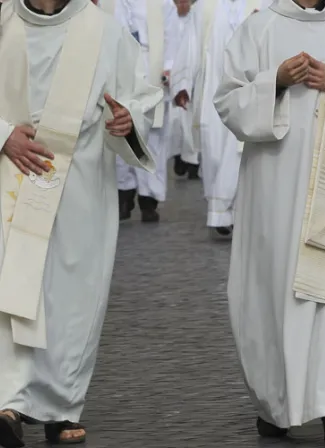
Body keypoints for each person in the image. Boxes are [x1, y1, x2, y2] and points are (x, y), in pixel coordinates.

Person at [213, 0, 325, 442]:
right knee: (274, 290)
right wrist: (274, 81)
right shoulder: (259, 29)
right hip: (272, 186)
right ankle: (277, 402)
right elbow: (227, 100)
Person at [0, 0, 162, 446]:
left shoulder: (103, 32)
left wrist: (129, 120)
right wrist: (4, 134)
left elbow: (141, 96)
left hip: (81, 188)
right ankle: (8, 403)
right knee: (14, 292)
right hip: (9, 182)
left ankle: (60, 404)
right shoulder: (2, 21)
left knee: (72, 297)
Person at [172, 0, 246, 238]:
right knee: (215, 151)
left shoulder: (265, 4)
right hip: (214, 91)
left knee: (240, 153)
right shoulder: (205, 7)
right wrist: (182, 83)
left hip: (250, 92)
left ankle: (233, 213)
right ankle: (220, 212)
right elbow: (190, 46)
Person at [114, 0, 179, 223]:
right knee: (122, 133)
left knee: (152, 139)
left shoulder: (163, 3)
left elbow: (172, 35)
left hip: (152, 69)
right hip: (122, 71)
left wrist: (169, 66)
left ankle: (148, 198)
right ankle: (124, 192)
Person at [168, 0, 200, 181]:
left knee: (192, 124)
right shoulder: (169, 16)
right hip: (176, 77)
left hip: (194, 77)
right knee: (177, 126)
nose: (181, 5)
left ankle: (193, 164)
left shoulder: (196, 15)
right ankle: (179, 158)